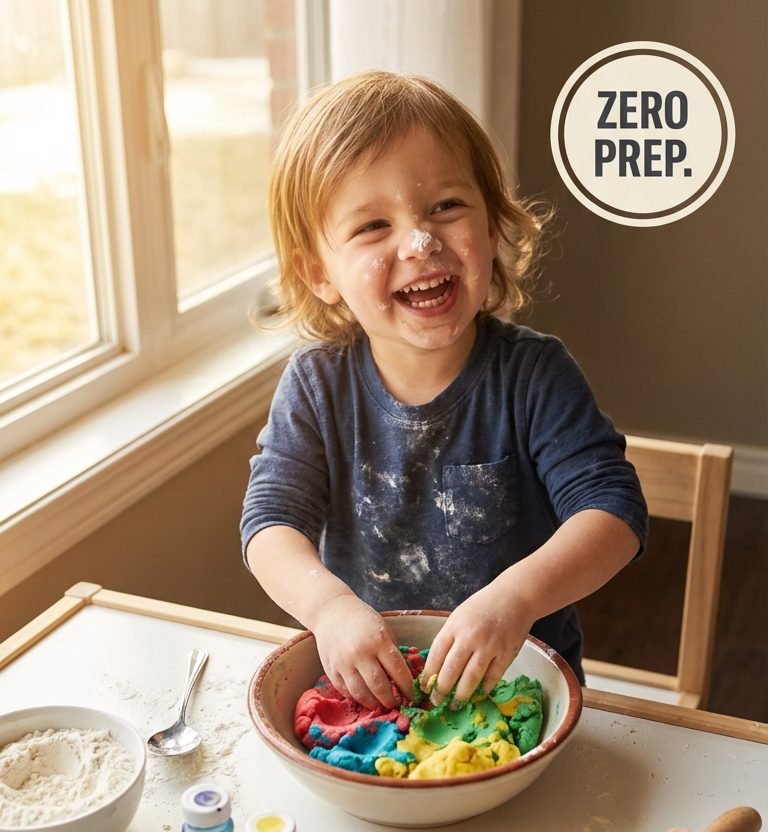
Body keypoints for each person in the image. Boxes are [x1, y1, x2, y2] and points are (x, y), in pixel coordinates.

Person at [240, 71, 648, 711]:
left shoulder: (534, 376)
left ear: (492, 228)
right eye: (373, 225)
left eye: (447, 207)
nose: (420, 241)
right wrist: (330, 610)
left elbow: (615, 513)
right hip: (370, 695)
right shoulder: (316, 386)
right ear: (319, 273)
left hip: (521, 688)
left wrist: (517, 598)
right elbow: (269, 525)